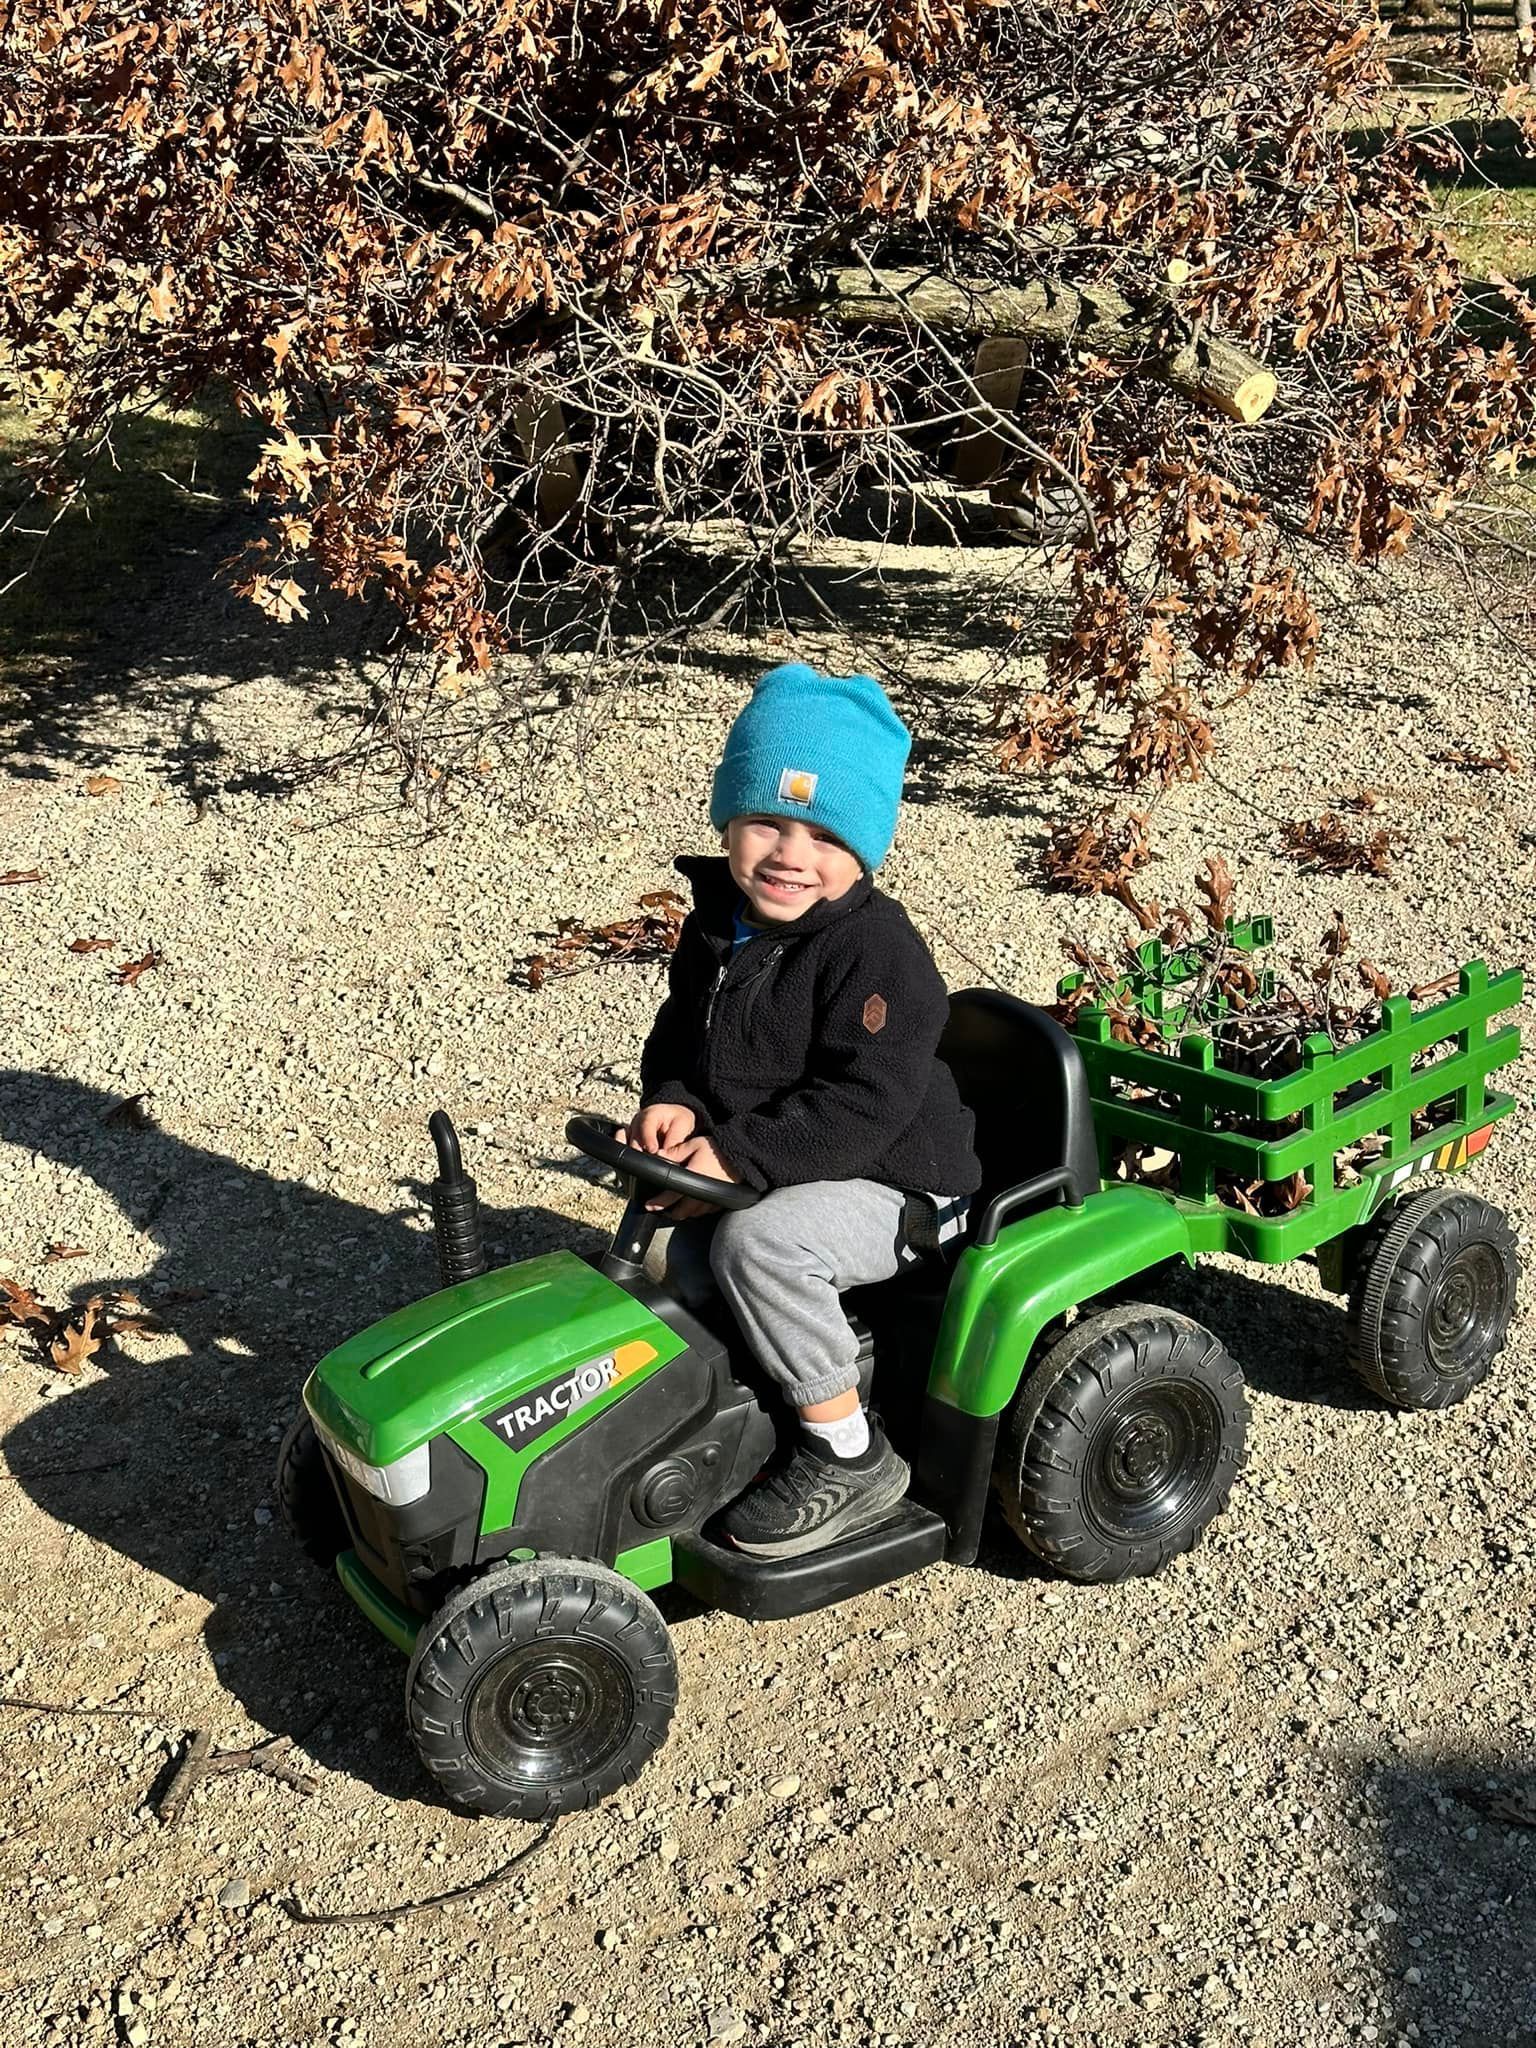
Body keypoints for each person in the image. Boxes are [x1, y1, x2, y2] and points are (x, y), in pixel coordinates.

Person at [617, 661, 981, 1559]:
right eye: (765, 822)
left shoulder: (877, 955)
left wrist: (738, 1159)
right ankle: (735, 1402)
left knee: (758, 1243)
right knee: (663, 1240)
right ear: (727, 820)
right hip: (784, 1151)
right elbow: (683, 1041)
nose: (789, 854)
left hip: (901, 1181)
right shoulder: (718, 927)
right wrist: (674, 1104)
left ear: (866, 848)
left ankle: (848, 1453)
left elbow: (866, 1103)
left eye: (823, 833)